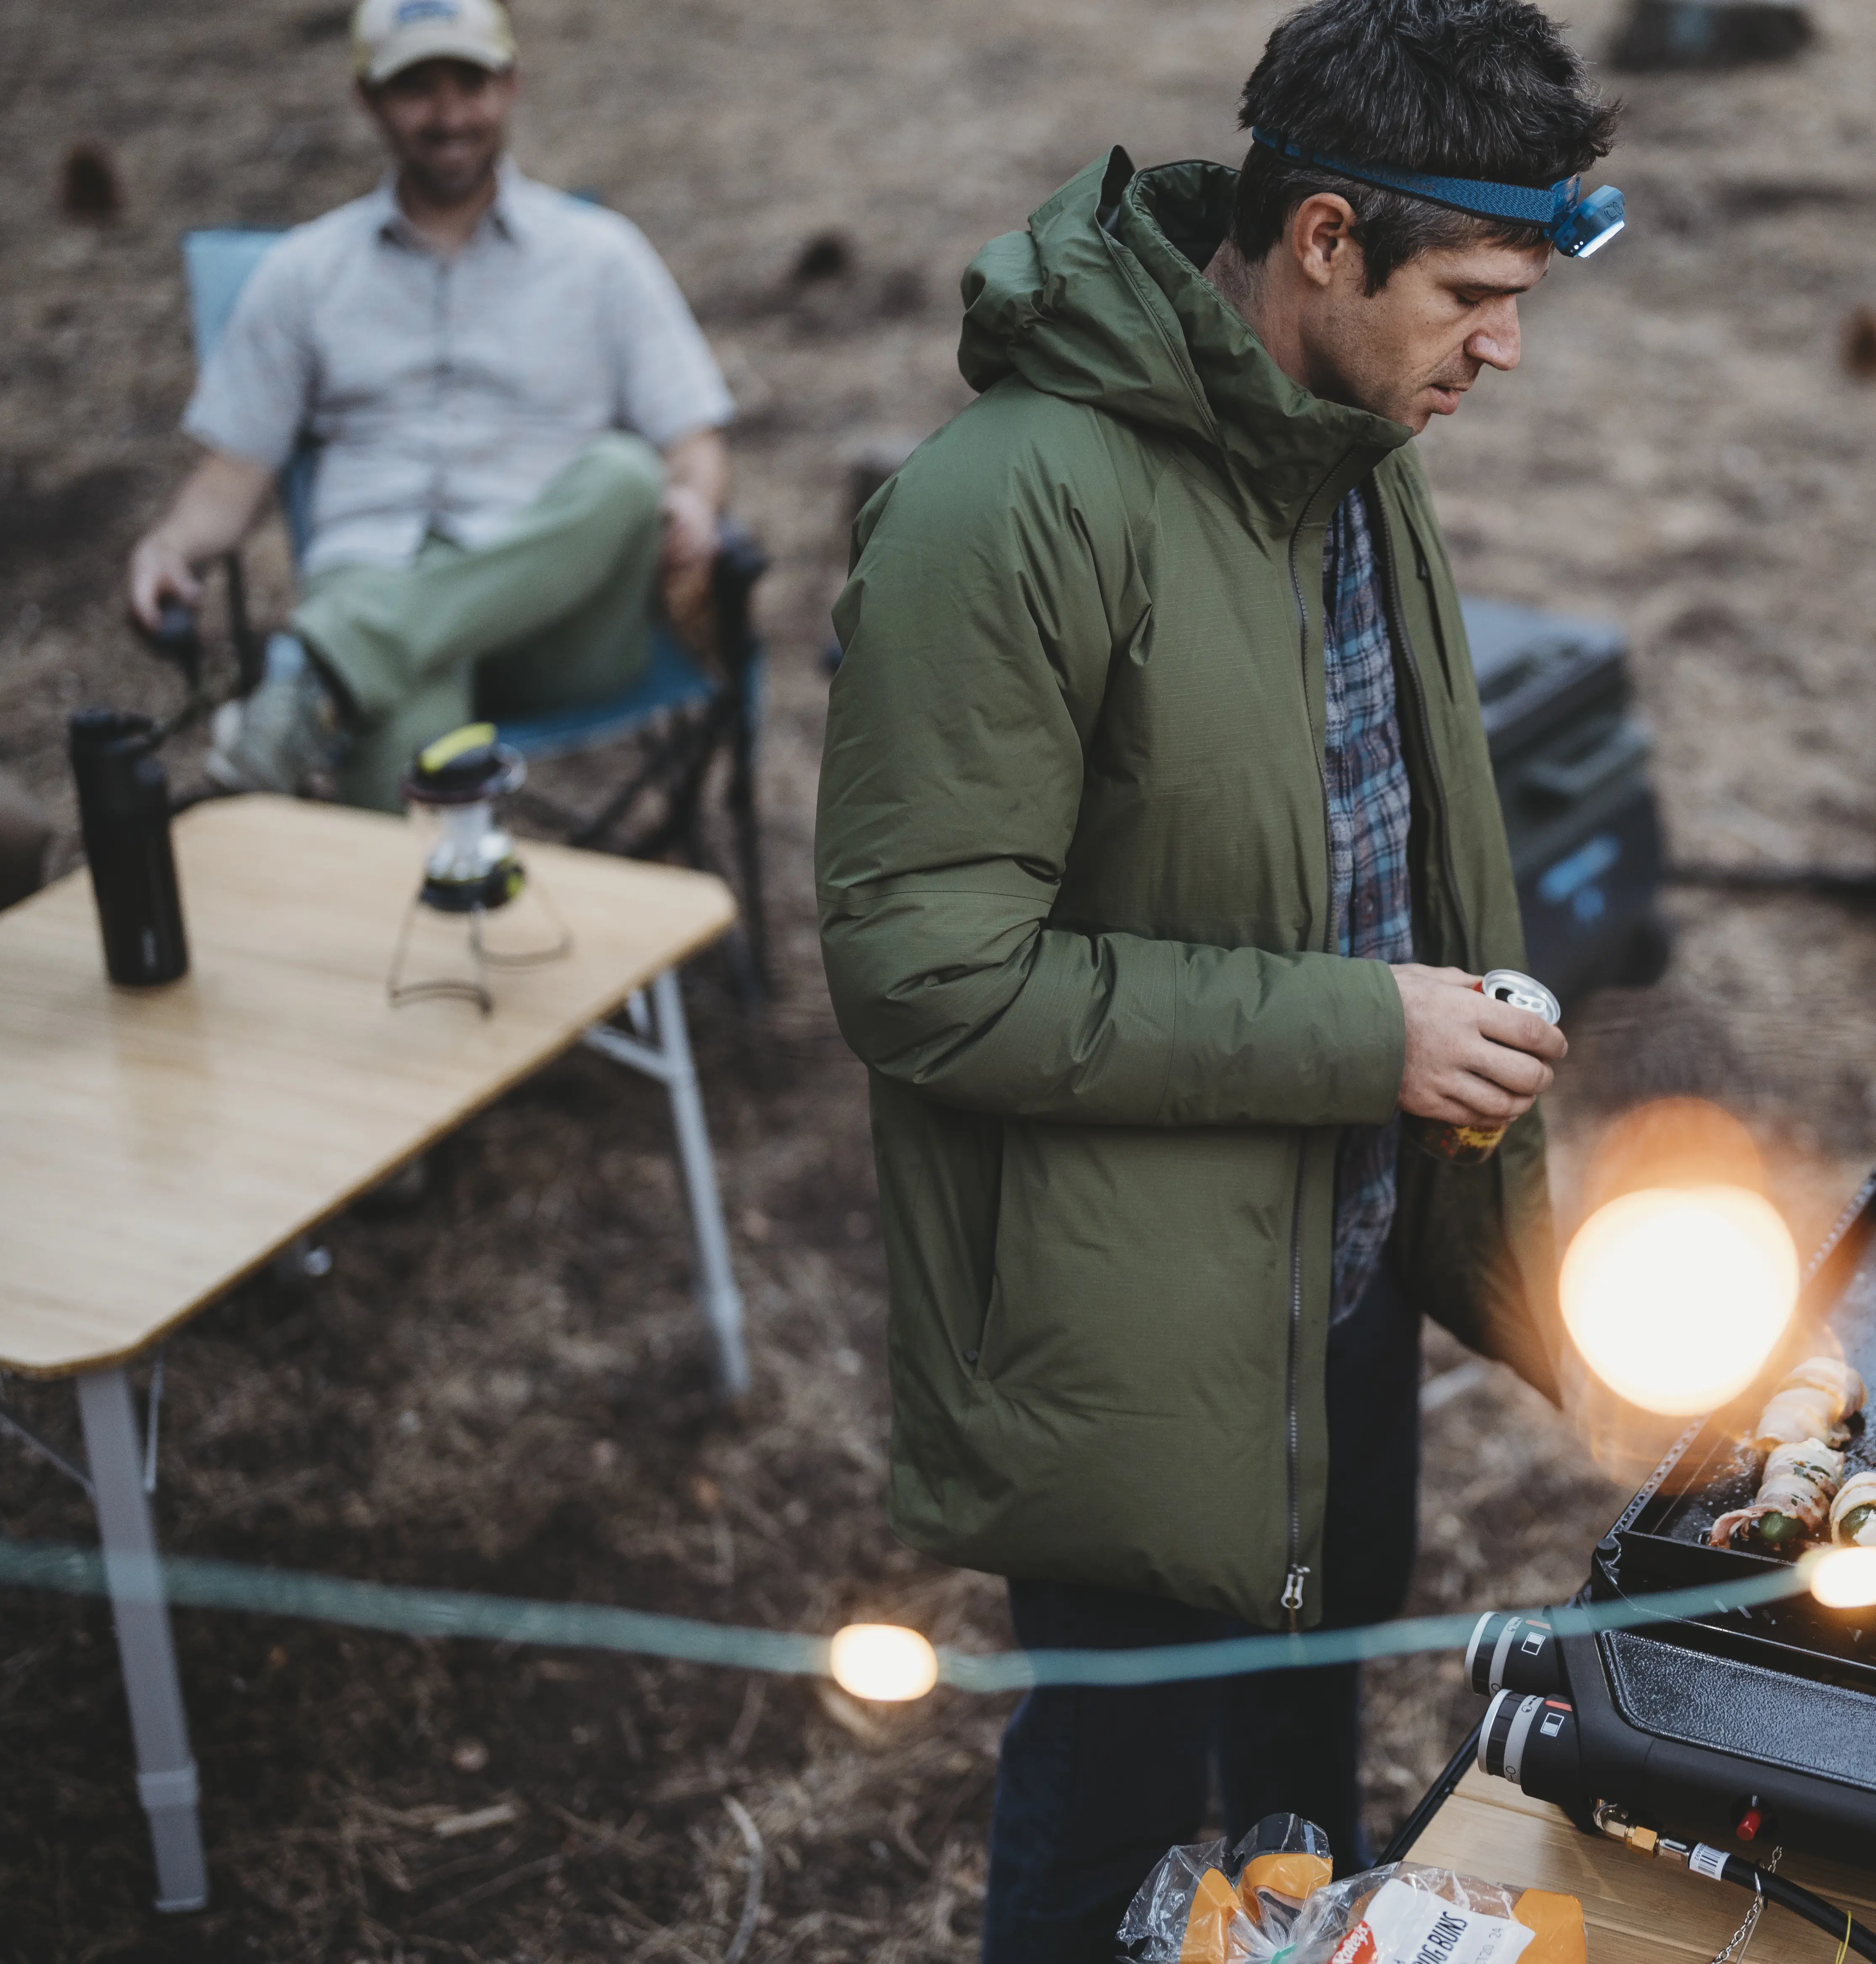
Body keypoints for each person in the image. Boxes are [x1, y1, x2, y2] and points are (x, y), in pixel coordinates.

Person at [812, 1, 1620, 1953]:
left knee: (1292, 1821)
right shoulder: (1002, 508)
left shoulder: (1352, 446)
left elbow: (1373, 838)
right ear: (1323, 239)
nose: (1504, 347)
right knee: (1105, 1845)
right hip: (1129, 1342)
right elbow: (926, 975)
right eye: (1475, 294)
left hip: (1329, 1291)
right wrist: (1369, 1033)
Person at [122, 0, 734, 811]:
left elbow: (694, 440)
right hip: (374, 576)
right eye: (416, 88)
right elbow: (235, 469)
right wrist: (168, 545)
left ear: (510, 86)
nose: (449, 115)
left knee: (626, 474)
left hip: (551, 619)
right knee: (404, 754)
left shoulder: (601, 255)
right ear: (367, 99)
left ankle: (329, 668)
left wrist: (693, 497)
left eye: (470, 83)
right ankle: (353, 685)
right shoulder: (306, 273)